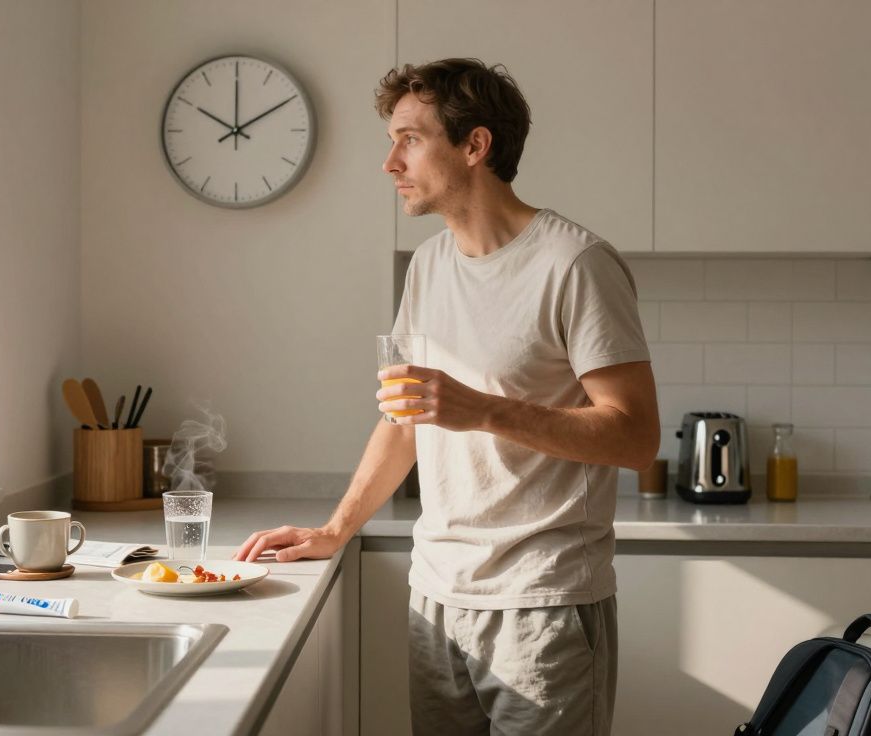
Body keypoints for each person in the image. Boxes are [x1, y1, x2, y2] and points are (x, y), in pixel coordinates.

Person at [233, 58, 659, 736]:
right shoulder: (429, 265)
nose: (389, 163)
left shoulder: (575, 265)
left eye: (409, 138)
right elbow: (402, 424)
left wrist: (486, 409)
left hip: (541, 605)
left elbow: (636, 438)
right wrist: (335, 528)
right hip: (436, 596)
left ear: (475, 145)